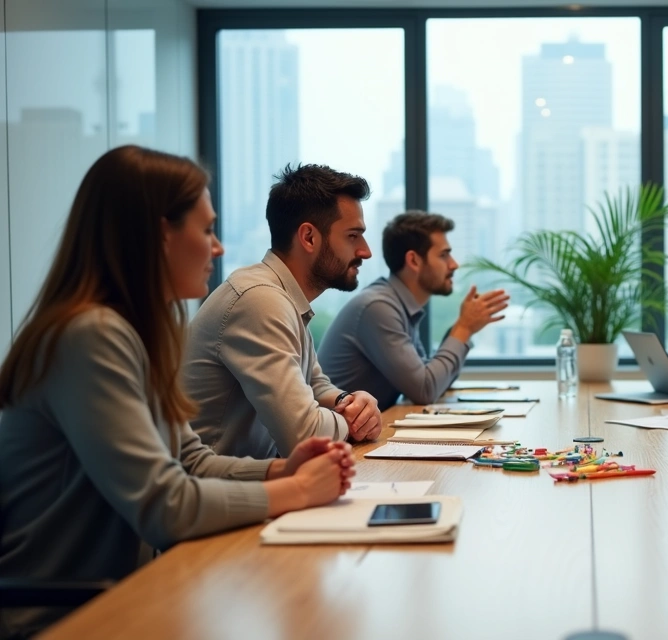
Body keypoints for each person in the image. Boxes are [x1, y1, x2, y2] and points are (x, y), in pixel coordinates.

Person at [0, 146, 355, 638]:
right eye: (206, 229)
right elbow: (163, 506)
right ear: (158, 234)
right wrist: (294, 490)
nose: (218, 248)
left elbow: (192, 460)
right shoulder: (91, 336)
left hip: (126, 593)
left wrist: (281, 468)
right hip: (63, 616)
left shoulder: (135, 330)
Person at [184, 164, 382, 459]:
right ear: (309, 238)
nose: (365, 251)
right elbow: (304, 435)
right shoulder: (261, 301)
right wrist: (352, 425)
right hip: (219, 493)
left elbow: (314, 384)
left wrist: (349, 402)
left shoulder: (283, 296)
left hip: (255, 485)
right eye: (353, 236)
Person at [318, 211, 510, 409]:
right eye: (444, 255)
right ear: (414, 261)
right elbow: (425, 390)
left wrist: (463, 328)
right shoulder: (378, 307)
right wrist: (464, 328)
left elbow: (434, 381)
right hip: (340, 438)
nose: (454, 264)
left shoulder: (397, 304)